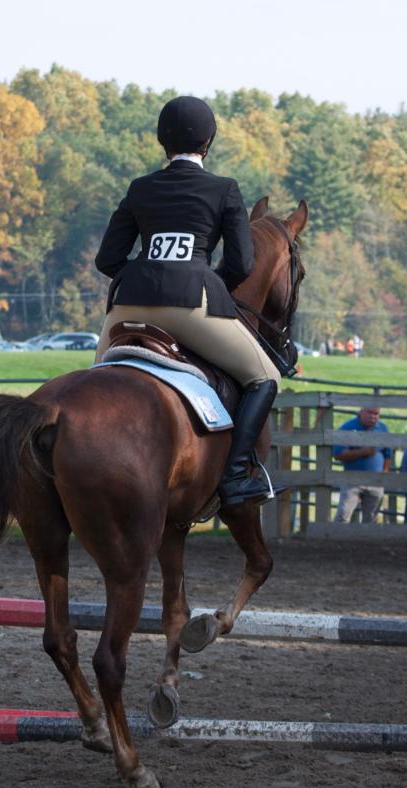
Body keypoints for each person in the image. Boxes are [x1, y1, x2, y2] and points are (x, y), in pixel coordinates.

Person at [93, 96, 280, 507]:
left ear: (162, 141)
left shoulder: (140, 188)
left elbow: (107, 259)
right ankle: (234, 478)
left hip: (128, 305)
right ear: (208, 142)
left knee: (90, 388)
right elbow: (242, 263)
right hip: (193, 305)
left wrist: (139, 275)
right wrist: (210, 284)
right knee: (265, 377)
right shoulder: (224, 189)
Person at [333, 406, 392, 523]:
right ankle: (336, 538)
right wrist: (363, 452)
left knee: (371, 518)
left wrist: (384, 473)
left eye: (376, 414)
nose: (372, 416)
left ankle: (366, 541)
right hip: (352, 479)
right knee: (344, 514)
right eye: (369, 412)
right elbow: (338, 454)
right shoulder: (348, 428)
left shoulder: (383, 428)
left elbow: (388, 454)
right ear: (360, 412)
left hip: (375, 481)